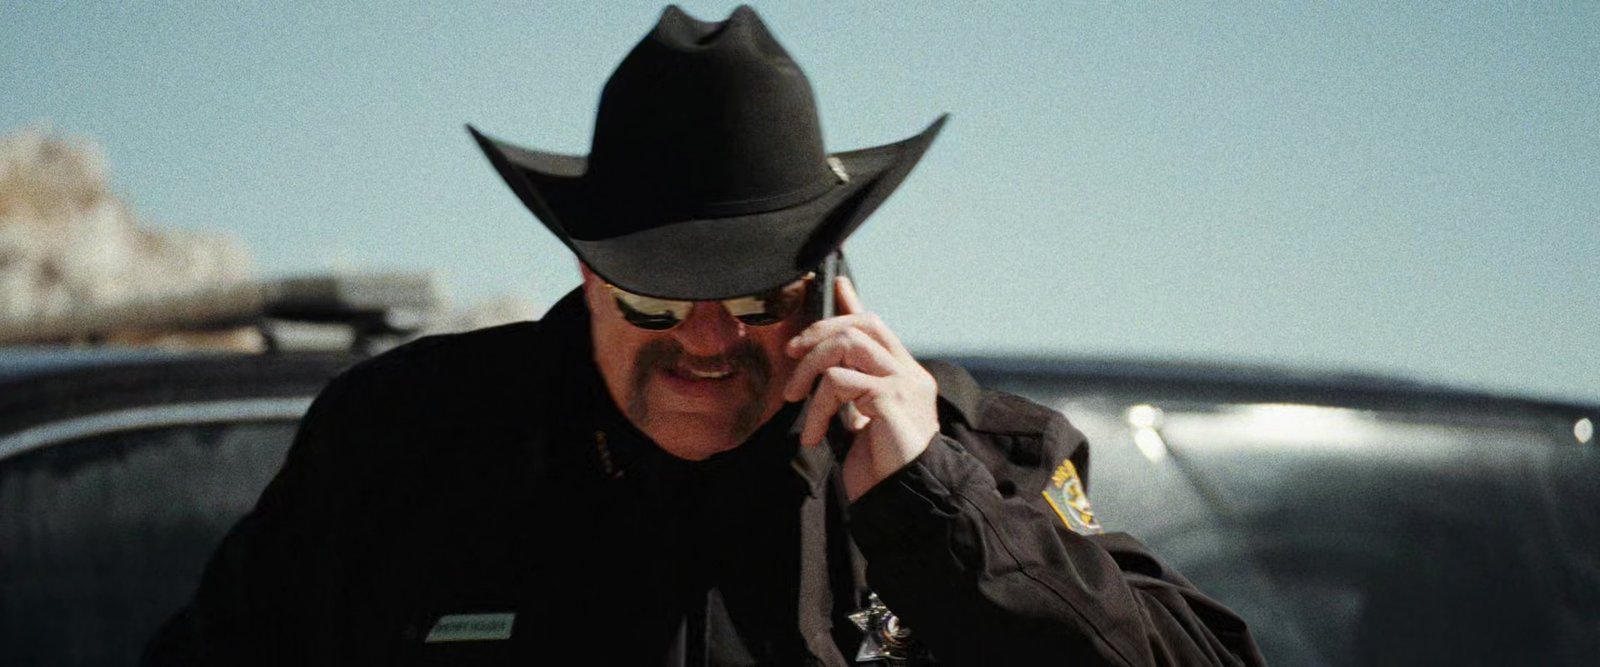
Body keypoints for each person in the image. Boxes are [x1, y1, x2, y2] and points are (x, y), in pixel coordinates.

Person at [145, 6, 1263, 665]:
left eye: (758, 296)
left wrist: (939, 511)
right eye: (656, 300)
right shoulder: (401, 445)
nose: (709, 341)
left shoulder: (979, 458)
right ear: (586, 272)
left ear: (829, 284)